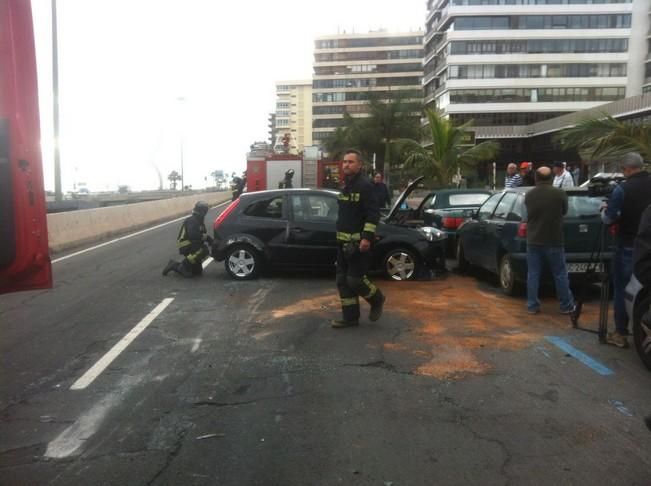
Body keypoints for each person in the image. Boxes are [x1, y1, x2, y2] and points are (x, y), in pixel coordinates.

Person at [601, 152, 651, 348]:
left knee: (624, 289)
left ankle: (620, 333)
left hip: (629, 245)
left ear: (627, 169)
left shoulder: (622, 189)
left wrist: (603, 210)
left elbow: (609, 218)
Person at [332, 149, 385, 328]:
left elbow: (373, 214)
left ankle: (377, 299)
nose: (346, 164)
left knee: (355, 280)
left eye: (350, 162)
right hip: (342, 244)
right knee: (342, 281)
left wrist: (367, 238)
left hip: (358, 244)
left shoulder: (365, 185)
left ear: (359, 165)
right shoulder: (344, 185)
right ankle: (350, 318)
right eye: (344, 161)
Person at [524, 166, 575, 315]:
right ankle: (566, 305)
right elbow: (564, 211)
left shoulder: (529, 195)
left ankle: (532, 305)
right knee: (560, 273)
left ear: (536, 178)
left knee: (533, 273)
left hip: (534, 239)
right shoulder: (559, 194)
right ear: (551, 178)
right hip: (554, 239)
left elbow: (529, 212)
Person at [162, 201, 213, 278]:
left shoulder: (199, 221)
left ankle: (174, 265)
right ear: (202, 211)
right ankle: (182, 266)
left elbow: (202, 234)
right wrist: (207, 238)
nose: (206, 212)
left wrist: (209, 240)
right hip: (185, 244)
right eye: (205, 211)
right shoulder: (192, 220)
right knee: (203, 250)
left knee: (197, 272)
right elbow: (193, 235)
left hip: (192, 243)